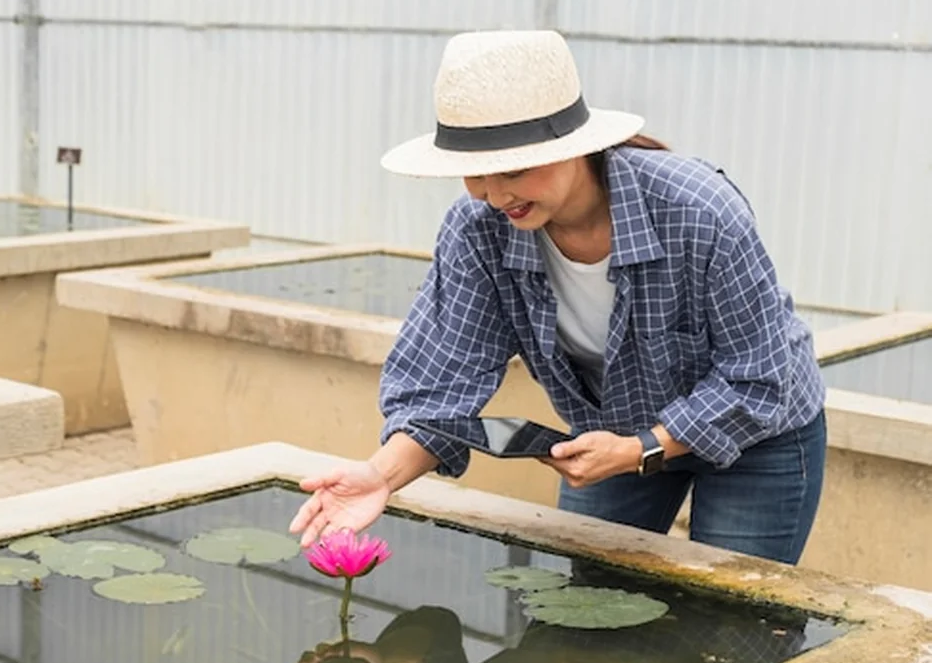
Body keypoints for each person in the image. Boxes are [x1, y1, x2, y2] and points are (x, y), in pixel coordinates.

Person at [289, 30, 826, 566]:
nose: (495, 195)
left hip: (758, 436)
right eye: (474, 174)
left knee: (728, 603)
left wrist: (642, 448)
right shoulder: (478, 230)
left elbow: (758, 377)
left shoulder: (699, 211)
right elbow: (442, 383)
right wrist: (379, 476)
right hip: (611, 435)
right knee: (590, 600)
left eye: (514, 170)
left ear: (573, 149)